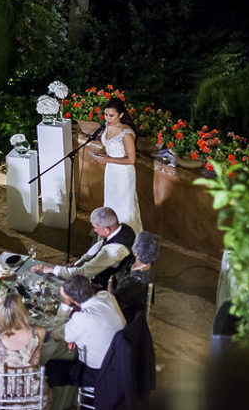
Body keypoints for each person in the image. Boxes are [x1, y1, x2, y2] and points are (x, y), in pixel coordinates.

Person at [46, 275, 125, 388]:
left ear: (72, 299)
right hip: (121, 357)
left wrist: (65, 304)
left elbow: (56, 333)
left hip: (102, 372)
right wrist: (75, 335)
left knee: (49, 367)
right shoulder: (106, 295)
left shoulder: (81, 320)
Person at [31, 207, 135, 288]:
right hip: (101, 267)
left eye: (95, 228)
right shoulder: (123, 228)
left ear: (107, 230)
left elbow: (83, 272)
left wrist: (51, 269)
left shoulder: (113, 251)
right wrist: (76, 264)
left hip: (105, 283)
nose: (94, 231)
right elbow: (97, 248)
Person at [93, 97, 142, 234]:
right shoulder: (108, 126)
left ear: (120, 115)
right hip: (111, 171)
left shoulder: (126, 133)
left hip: (123, 173)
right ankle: (110, 234)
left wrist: (107, 159)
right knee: (111, 202)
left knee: (124, 205)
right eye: (105, 114)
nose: (107, 118)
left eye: (111, 115)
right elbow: (109, 145)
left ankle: (126, 237)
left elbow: (131, 160)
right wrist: (102, 152)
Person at [108, 231, 159, 322]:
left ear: (137, 252)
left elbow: (112, 300)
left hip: (126, 316)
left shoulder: (135, 283)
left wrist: (110, 281)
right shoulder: (141, 262)